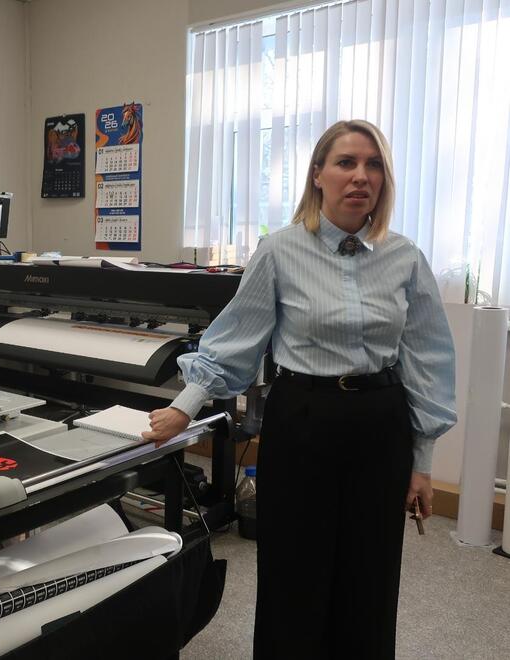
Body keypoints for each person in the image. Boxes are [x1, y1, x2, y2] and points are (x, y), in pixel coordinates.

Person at [142, 119, 456, 658]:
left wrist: (422, 464)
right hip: (303, 419)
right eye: (346, 162)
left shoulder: (405, 258)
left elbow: (426, 359)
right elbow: (236, 339)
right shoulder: (280, 250)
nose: (360, 176)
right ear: (317, 174)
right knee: (294, 570)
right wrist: (183, 408)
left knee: (371, 574)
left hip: (381, 426)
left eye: (373, 165)